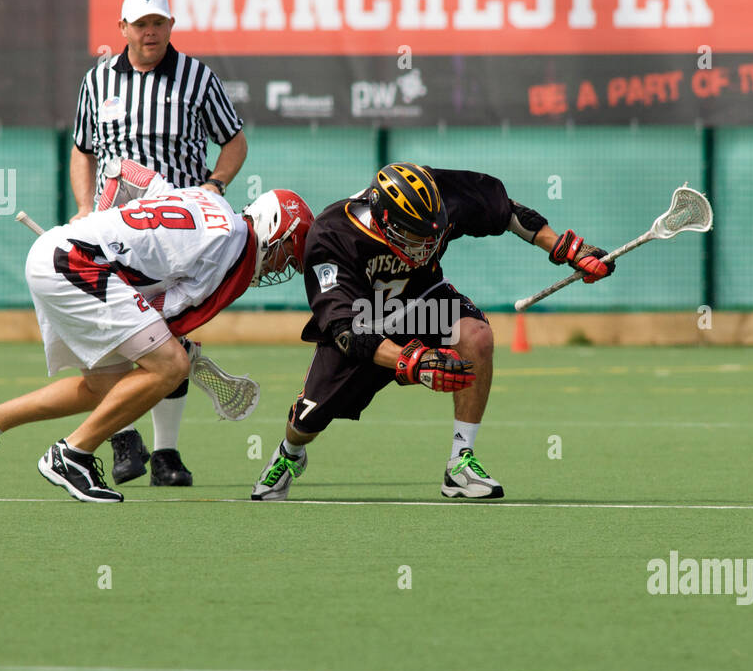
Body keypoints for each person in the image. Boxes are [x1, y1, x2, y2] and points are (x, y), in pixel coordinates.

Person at [251, 162, 614, 502]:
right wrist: (414, 360)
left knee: (478, 337)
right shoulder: (331, 235)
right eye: (413, 236)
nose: (426, 246)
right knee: (307, 420)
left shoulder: (440, 197)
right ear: (384, 221)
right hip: (364, 320)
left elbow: (508, 212)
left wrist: (569, 250)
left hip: (421, 302)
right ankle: (289, 454)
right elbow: (346, 332)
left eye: (431, 234)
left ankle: (460, 461)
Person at [0, 169, 312, 504]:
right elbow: (165, 312)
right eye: (287, 253)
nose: (283, 266)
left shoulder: (209, 200)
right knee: (170, 366)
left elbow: (125, 171)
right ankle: (72, 454)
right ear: (273, 227)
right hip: (78, 264)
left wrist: (95, 218)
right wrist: (178, 351)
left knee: (106, 384)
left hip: (62, 251)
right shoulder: (237, 250)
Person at [71, 0, 248, 488]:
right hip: (112, 229)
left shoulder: (197, 78)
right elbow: (83, 148)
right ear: (122, 28)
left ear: (170, 26)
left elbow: (234, 141)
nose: (151, 32)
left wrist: (215, 185)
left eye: (159, 23)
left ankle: (166, 454)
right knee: (113, 331)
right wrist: (84, 208)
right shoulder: (98, 80)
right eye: (141, 24)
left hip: (175, 234)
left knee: (172, 333)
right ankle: (123, 438)